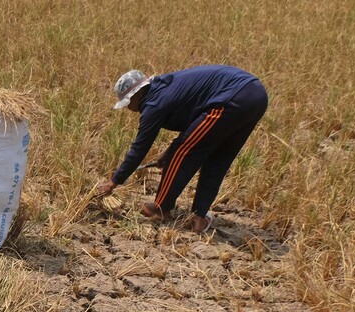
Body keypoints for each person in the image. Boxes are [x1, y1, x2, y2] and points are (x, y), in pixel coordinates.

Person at [95, 65, 268, 233]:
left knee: (182, 152)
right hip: (256, 95)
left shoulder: (153, 104)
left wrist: (114, 181)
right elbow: (195, 126)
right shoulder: (164, 89)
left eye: (128, 102)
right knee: (218, 159)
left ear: (138, 94)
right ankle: (199, 217)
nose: (129, 108)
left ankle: (161, 207)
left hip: (232, 97)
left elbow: (139, 148)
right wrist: (168, 151)